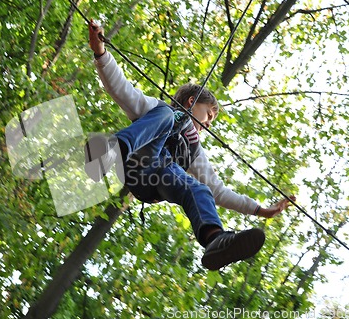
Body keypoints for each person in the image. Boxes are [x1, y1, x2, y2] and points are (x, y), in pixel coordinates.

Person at [85, 20, 295, 270]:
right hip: (137, 162)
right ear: (192, 101)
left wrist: (261, 210)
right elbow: (121, 89)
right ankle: (111, 150)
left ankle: (216, 240)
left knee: (200, 189)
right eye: (208, 115)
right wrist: (100, 53)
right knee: (166, 115)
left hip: (154, 184)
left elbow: (218, 191)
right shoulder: (156, 110)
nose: (207, 125)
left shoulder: (193, 149)